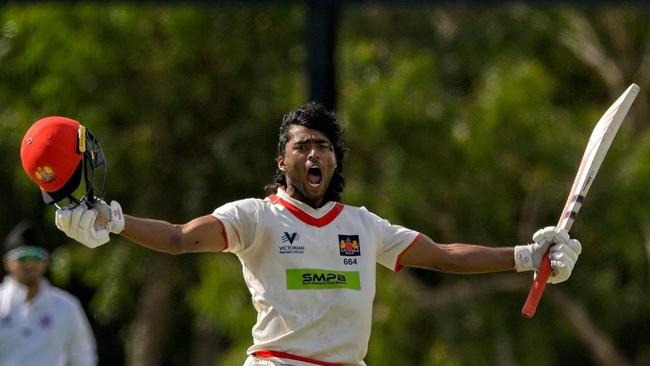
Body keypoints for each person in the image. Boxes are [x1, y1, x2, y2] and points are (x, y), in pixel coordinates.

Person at [51, 102, 581, 366]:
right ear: (281, 160)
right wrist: (112, 220)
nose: (313, 153)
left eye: (323, 145)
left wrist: (524, 256)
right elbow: (179, 237)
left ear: (335, 160)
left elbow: (443, 256)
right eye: (302, 145)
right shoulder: (257, 216)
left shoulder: (363, 226)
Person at [0, 221, 97, 366]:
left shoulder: (66, 306)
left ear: (46, 262)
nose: (29, 264)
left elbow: (83, 357)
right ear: (7, 262)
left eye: (36, 256)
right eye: (22, 257)